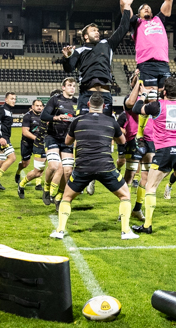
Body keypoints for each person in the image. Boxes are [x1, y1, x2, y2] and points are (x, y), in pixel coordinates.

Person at [50, 93, 139, 241]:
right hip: (105, 167)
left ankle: (60, 230)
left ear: (88, 105)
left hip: (82, 167)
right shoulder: (111, 121)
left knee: (66, 198)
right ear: (104, 107)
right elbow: (122, 141)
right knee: (125, 196)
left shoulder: (77, 121)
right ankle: (125, 231)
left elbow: (67, 142)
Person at [125, 75, 176, 236]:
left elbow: (136, 108)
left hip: (165, 150)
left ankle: (148, 225)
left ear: (164, 92)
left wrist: (144, 94)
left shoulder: (157, 106)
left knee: (150, 187)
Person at [120, 0, 174, 136]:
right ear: (139, 13)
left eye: (149, 7)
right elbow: (123, 4)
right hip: (147, 65)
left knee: (168, 97)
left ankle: (164, 131)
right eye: (143, 8)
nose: (147, 9)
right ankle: (143, 135)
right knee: (149, 98)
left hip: (163, 64)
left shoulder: (159, 19)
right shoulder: (136, 23)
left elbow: (168, 0)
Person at [62, 0, 134, 115]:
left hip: (106, 94)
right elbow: (68, 69)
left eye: (98, 30)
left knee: (106, 130)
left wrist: (127, 7)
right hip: (87, 94)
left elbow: (123, 27)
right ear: (85, 36)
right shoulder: (78, 51)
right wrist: (67, 57)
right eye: (93, 30)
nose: (97, 32)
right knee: (82, 129)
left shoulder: (107, 44)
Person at [41, 78, 81, 206]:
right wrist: (56, 117)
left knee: (68, 171)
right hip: (52, 136)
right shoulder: (55, 100)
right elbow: (43, 115)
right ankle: (46, 188)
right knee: (53, 166)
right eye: (69, 85)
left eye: (74, 86)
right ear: (63, 87)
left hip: (67, 139)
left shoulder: (77, 102)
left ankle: (59, 196)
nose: (72, 88)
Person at [16, 98, 47, 200]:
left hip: (39, 145)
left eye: (40, 106)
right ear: (32, 107)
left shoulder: (45, 116)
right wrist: (37, 139)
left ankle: (38, 184)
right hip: (27, 143)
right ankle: (18, 171)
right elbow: (25, 132)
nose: (39, 107)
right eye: (37, 105)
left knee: (40, 165)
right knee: (25, 164)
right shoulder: (27, 116)